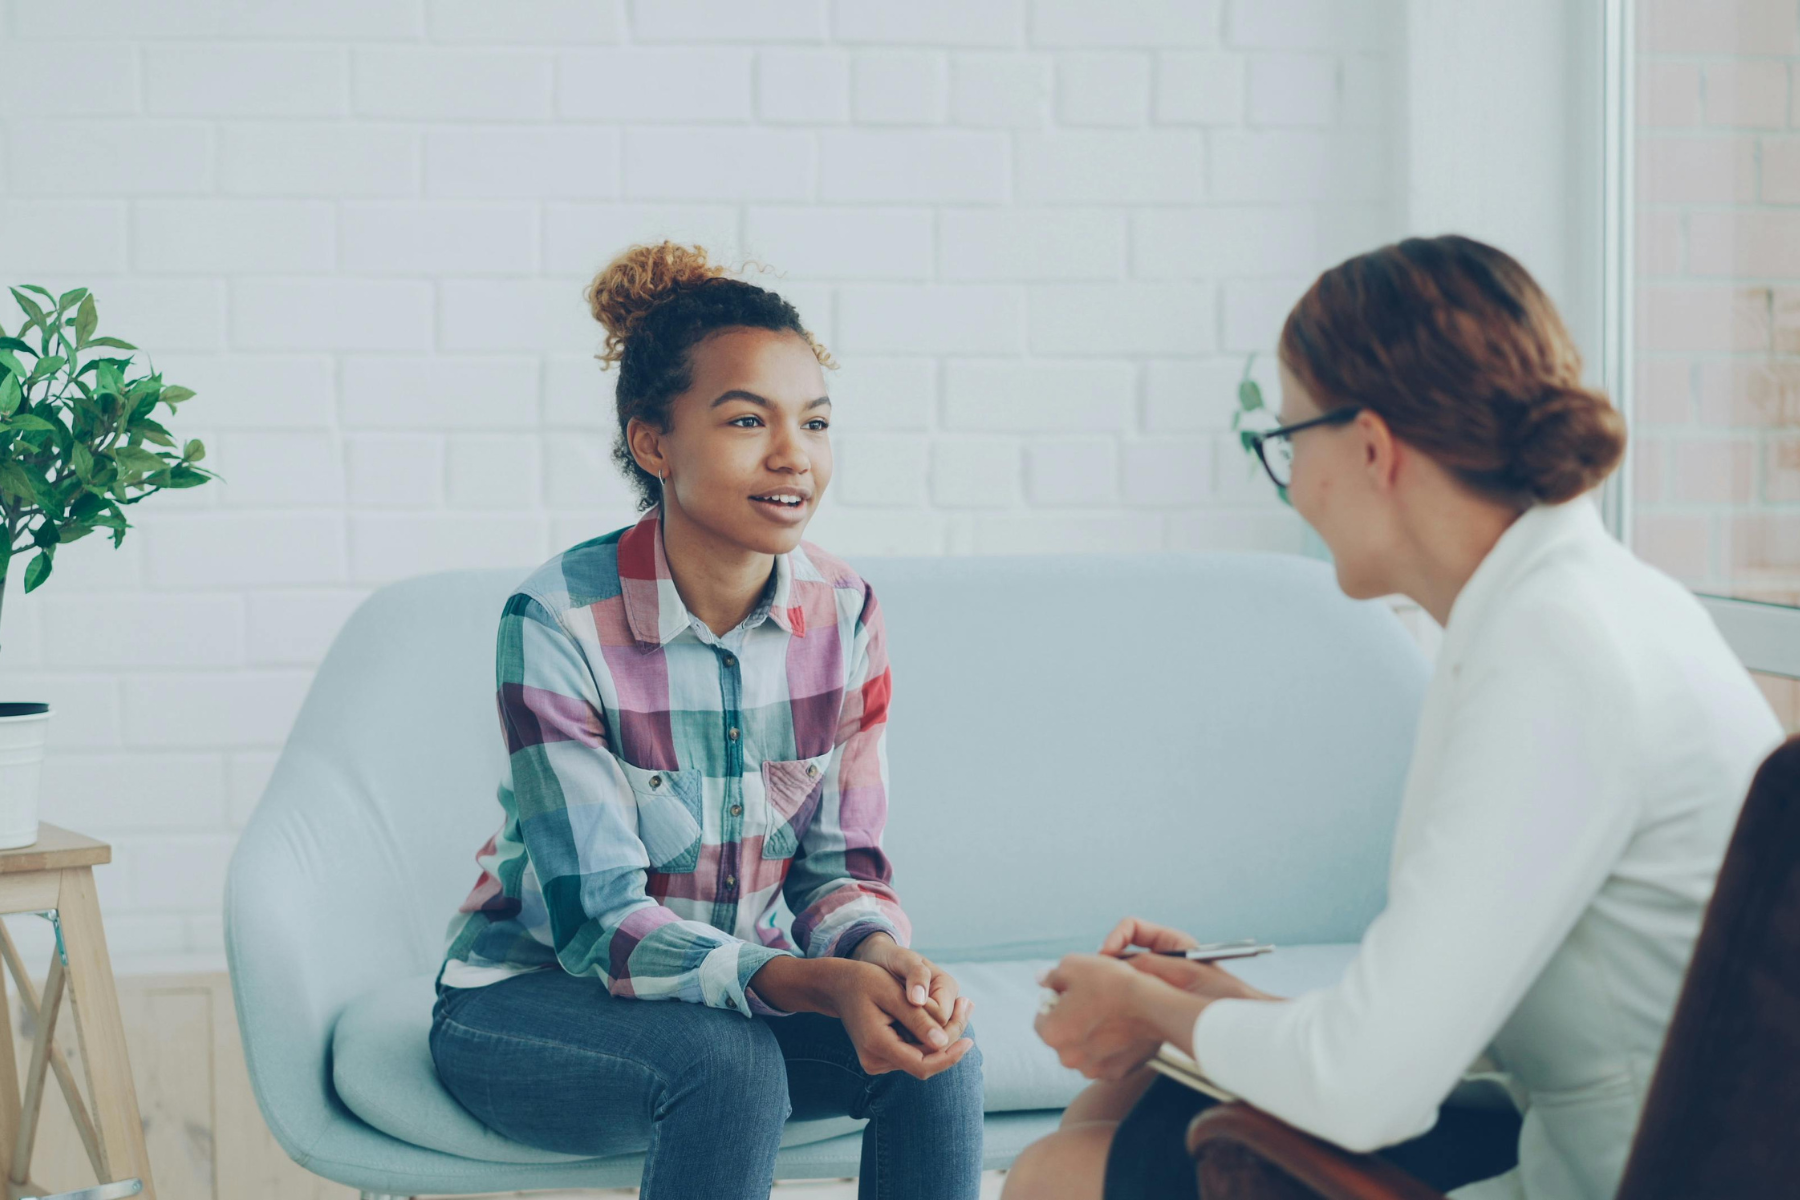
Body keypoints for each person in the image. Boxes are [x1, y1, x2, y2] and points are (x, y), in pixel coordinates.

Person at [1008, 235, 1783, 1200]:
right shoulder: (1573, 604)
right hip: (1577, 1127)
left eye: (1286, 444)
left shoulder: (1554, 649)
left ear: (1371, 447)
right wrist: (1218, 1007)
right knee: (1123, 1106)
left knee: (1056, 1174)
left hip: (1610, 1176)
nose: (1290, 481)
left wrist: (1159, 1014)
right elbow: (1468, 1024)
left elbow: (1369, 1092)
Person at [428, 243, 984, 1200]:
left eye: (813, 422)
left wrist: (882, 963)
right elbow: (601, 923)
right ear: (654, 444)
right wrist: (813, 984)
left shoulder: (845, 613)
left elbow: (838, 871)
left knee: (935, 1054)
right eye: (745, 420)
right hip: (530, 1005)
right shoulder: (559, 619)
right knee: (726, 1063)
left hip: (734, 1002)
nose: (792, 456)